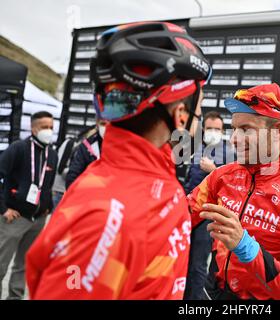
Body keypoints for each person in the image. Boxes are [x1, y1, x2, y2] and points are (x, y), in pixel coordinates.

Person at [25, 21, 211, 299]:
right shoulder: (104, 222)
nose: (201, 119)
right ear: (181, 116)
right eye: (200, 108)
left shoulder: (154, 177)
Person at [187, 83, 280, 300]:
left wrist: (245, 246)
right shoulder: (221, 176)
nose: (234, 139)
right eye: (234, 129)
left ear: (277, 131)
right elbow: (182, 217)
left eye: (245, 129)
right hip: (214, 293)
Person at [0, 111, 57, 299]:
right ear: (33, 128)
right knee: (1, 263)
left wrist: (47, 207)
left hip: (38, 220)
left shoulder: (52, 154)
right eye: (44, 127)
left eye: (51, 127)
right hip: (14, 217)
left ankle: (14, 297)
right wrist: (3, 209)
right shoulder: (18, 148)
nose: (48, 131)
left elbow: (47, 184)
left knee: (23, 266)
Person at [183, 111, 235, 300]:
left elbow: (233, 186)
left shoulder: (230, 152)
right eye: (210, 128)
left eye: (217, 129)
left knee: (198, 265)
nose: (213, 132)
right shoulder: (196, 148)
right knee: (183, 262)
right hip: (187, 211)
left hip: (208, 215)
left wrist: (214, 170)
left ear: (222, 131)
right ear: (204, 129)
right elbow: (189, 178)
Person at [65, 118, 109, 189]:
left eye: (109, 124)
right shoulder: (86, 146)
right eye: (103, 124)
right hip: (90, 193)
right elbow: (72, 177)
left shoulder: (122, 146)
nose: (106, 127)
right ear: (97, 123)